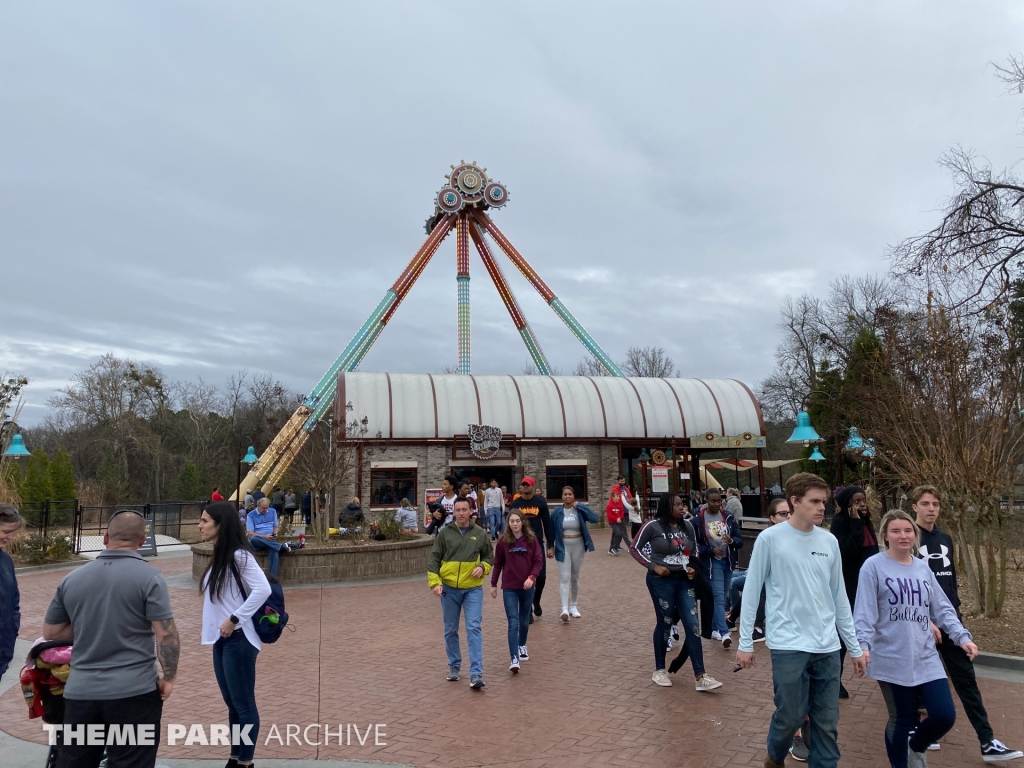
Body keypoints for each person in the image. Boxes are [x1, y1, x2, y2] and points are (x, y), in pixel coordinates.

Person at [736, 472, 866, 768]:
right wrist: (745, 643)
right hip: (788, 644)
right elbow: (752, 590)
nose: (823, 508)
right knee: (791, 715)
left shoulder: (829, 541)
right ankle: (775, 753)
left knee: (827, 722)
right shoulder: (770, 539)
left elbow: (839, 598)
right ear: (795, 502)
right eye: (815, 501)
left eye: (825, 501)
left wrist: (854, 647)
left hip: (827, 646)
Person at [43, 509, 179, 768]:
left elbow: (51, 633)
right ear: (142, 542)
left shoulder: (72, 578)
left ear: (105, 538)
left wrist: (89, 625)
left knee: (76, 762)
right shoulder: (150, 578)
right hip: (134, 692)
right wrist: (168, 679)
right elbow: (166, 634)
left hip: (81, 693)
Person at [854, 509, 978, 768]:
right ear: (885, 536)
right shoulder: (873, 566)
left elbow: (942, 607)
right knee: (901, 718)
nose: (903, 536)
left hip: (925, 655)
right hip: (890, 655)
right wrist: (862, 646)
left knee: (944, 715)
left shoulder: (922, 569)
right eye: (896, 531)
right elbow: (864, 612)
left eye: (908, 530)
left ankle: (916, 746)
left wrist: (961, 637)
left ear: (915, 535)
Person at [912, 486, 1023, 762]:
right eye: (925, 503)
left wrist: (955, 619)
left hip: (950, 621)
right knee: (917, 679)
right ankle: (920, 733)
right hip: (918, 624)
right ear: (914, 507)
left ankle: (987, 741)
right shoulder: (907, 538)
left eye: (935, 503)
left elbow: (948, 583)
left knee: (967, 681)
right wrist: (924, 619)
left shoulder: (946, 539)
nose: (931, 509)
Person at [198, 502, 272, 768]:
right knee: (232, 704)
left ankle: (246, 762)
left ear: (221, 525)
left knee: (243, 705)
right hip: (222, 640)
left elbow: (262, 589)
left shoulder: (240, 556)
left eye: (205, 521)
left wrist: (234, 619)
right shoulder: (220, 556)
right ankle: (235, 757)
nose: (200, 525)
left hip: (239, 639)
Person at [631, 493, 722, 692]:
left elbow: (695, 550)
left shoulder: (687, 526)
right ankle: (659, 669)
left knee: (692, 625)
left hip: (684, 581)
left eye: (683, 504)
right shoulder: (652, 526)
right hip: (660, 581)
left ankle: (701, 675)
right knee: (664, 623)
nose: (682, 508)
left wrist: (692, 567)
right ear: (666, 507)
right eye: (677, 505)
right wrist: (653, 566)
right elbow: (635, 548)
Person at [427, 497, 493, 689]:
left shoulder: (480, 533)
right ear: (453, 512)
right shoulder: (444, 534)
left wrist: (483, 566)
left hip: (472, 589)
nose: (462, 513)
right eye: (458, 510)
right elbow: (433, 561)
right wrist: (435, 584)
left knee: (473, 627)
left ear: (471, 511)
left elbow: (490, 556)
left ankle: (476, 673)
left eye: (465, 509)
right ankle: (454, 666)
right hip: (449, 589)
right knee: (450, 629)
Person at [829, 484, 878, 699]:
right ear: (847, 504)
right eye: (856, 501)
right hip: (849, 585)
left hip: (869, 585)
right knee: (843, 634)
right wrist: (856, 523)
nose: (861, 504)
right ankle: (834, 681)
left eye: (863, 500)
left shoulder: (867, 522)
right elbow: (846, 551)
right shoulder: (840, 523)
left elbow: (874, 551)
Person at [728, 497, 789, 641]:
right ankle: (741, 621)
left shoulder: (796, 538)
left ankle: (751, 624)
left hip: (773, 582)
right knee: (733, 581)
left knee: (758, 586)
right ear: (773, 518)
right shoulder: (766, 538)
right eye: (783, 514)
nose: (788, 517)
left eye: (790, 513)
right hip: (755, 575)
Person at [490, 510, 543, 672]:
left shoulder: (531, 540)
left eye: (517, 521)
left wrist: (532, 577)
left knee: (524, 620)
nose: (514, 524)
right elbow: (498, 564)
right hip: (510, 588)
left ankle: (522, 646)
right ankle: (514, 658)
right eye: (511, 521)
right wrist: (493, 584)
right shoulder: (503, 542)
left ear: (522, 522)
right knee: (513, 622)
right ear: (508, 523)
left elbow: (538, 561)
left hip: (527, 587)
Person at [693, 488, 743, 648]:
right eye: (712, 501)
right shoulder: (698, 520)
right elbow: (695, 545)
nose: (716, 504)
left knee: (725, 593)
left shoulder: (727, 517)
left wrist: (730, 541)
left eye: (718, 501)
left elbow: (739, 540)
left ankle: (714, 627)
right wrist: (710, 550)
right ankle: (724, 632)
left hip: (727, 561)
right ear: (706, 501)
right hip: (712, 562)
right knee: (719, 597)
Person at [507, 477, 553, 623]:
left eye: (528, 485)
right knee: (524, 577)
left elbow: (547, 523)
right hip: (520, 543)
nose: (525, 487)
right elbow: (510, 524)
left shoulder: (540, 503)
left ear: (533, 487)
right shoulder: (516, 504)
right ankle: (527, 612)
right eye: (523, 485)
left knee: (541, 577)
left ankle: (536, 600)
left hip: (537, 543)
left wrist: (550, 544)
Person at [550, 486, 598, 622]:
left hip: (578, 545)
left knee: (575, 577)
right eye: (565, 494)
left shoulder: (579, 510)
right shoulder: (557, 512)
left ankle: (574, 606)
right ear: (562, 496)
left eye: (570, 494)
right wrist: (550, 546)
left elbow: (595, 518)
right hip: (562, 546)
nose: (567, 496)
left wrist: (582, 506)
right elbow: (551, 531)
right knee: (564, 577)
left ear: (573, 496)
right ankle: (564, 608)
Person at [0, 504, 23, 682]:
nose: (10, 537)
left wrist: (13, 628)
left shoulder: (6, 560)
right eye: (6, 531)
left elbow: (13, 601)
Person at [246, 497, 294, 577]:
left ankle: (272, 578)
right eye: (263, 508)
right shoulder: (251, 515)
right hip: (258, 541)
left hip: (270, 541)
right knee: (253, 539)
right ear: (258, 506)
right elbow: (250, 533)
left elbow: (276, 526)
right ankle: (281, 546)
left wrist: (275, 533)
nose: (265, 510)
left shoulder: (272, 511)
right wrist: (264, 536)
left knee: (274, 551)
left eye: (267, 508)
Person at [614, 474, 640, 541]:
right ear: (618, 481)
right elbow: (614, 500)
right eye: (621, 481)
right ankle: (616, 544)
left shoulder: (626, 489)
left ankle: (615, 544)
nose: (623, 482)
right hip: (620, 511)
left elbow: (630, 497)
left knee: (619, 529)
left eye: (623, 481)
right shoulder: (615, 489)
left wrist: (630, 500)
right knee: (621, 528)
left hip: (627, 510)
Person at [606, 490, 627, 555]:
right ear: (613, 497)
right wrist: (616, 519)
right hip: (612, 522)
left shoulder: (620, 505)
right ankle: (614, 548)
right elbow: (609, 516)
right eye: (617, 496)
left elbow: (622, 513)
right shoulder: (609, 506)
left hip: (618, 521)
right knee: (618, 533)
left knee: (614, 535)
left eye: (618, 496)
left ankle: (610, 549)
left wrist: (620, 518)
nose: (618, 498)